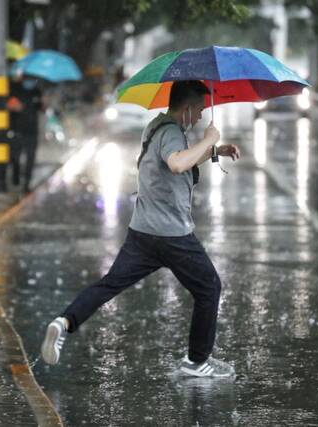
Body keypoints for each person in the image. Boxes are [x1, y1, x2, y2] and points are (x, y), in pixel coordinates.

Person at [41, 80, 241, 377]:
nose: (200, 116)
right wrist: (209, 139)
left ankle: (64, 322)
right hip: (171, 235)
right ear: (186, 108)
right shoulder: (173, 133)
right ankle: (198, 362)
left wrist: (214, 152)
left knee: (109, 284)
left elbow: (175, 162)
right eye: (199, 109)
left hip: (143, 232)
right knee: (209, 287)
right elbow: (176, 164)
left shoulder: (157, 126)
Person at [8, 75, 43, 193]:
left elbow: (41, 108)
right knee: (15, 156)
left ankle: (27, 183)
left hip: (32, 130)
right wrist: (15, 107)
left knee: (30, 158)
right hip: (17, 130)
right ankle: (16, 177)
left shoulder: (36, 91)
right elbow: (10, 105)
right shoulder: (15, 90)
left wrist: (43, 102)